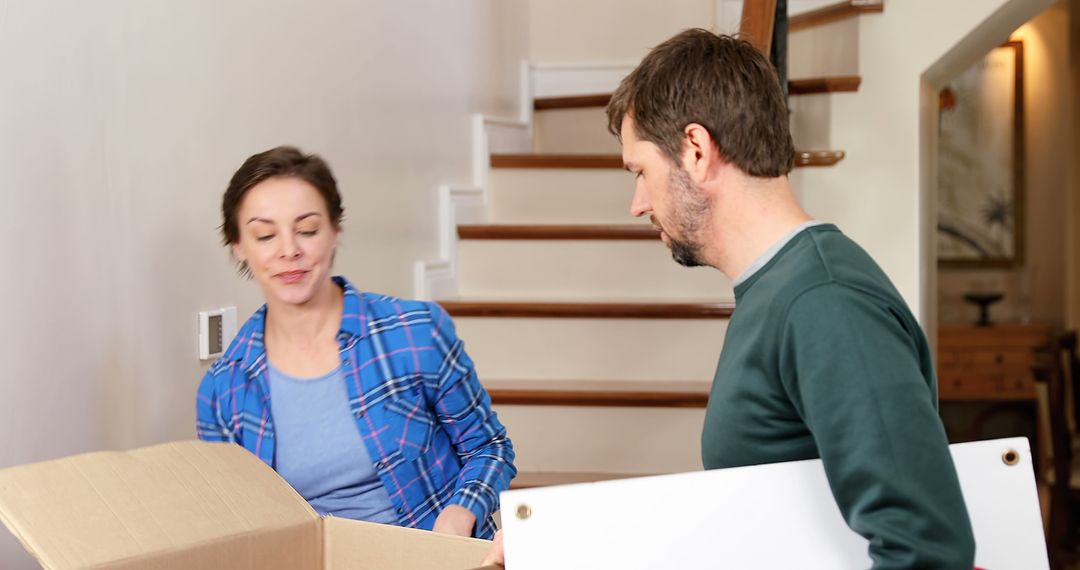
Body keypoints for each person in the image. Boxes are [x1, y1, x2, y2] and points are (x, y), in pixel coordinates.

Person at [484, 29, 975, 568]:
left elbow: (928, 548)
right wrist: (565, 538)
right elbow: (765, 517)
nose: (637, 203)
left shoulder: (824, 303)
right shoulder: (780, 289)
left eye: (641, 172)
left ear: (696, 150)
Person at [196, 146, 515, 539]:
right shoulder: (223, 389)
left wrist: (461, 511)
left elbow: (490, 447)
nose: (288, 250)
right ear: (239, 246)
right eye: (265, 235)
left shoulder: (414, 332)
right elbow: (236, 523)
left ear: (334, 233)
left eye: (308, 230)